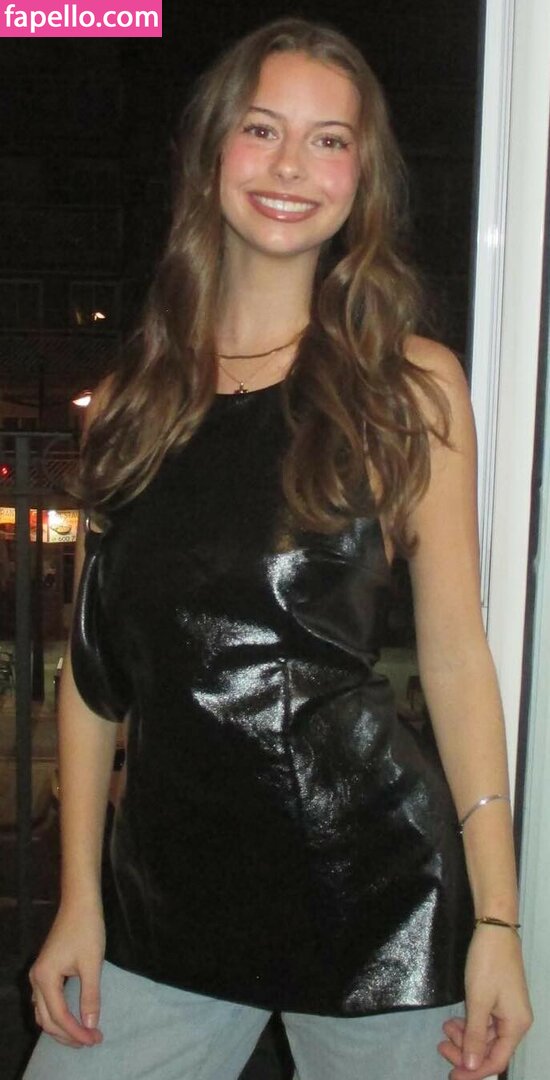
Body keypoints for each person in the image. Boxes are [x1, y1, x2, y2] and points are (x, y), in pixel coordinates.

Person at [25, 17, 532, 1080]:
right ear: (214, 151)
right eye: (262, 129)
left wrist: (497, 921)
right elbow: (94, 677)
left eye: (328, 140)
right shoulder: (129, 403)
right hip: (164, 907)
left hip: (380, 902)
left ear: (361, 177)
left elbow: (454, 658)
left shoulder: (410, 387)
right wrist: (80, 902)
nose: (292, 165)